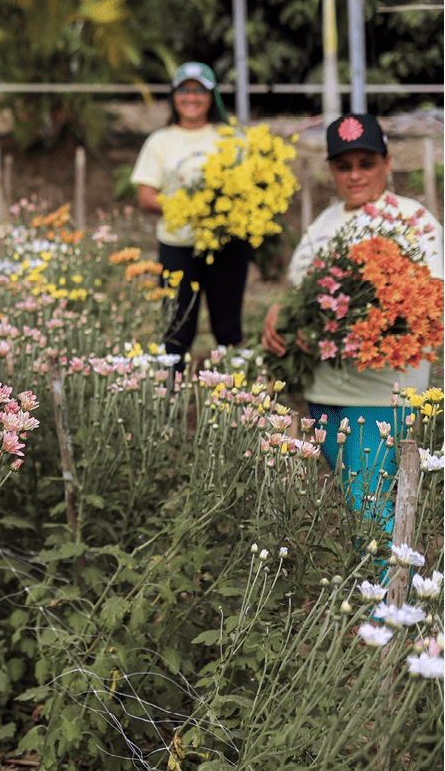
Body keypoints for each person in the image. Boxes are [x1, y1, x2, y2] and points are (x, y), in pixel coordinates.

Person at [261, 113, 444, 527]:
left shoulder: (412, 221)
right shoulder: (324, 223)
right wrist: (280, 314)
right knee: (361, 506)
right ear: (331, 169)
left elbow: (422, 306)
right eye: (344, 166)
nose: (355, 175)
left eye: (366, 164)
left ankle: (394, 593)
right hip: (323, 392)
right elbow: (298, 290)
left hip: (382, 394)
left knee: (371, 513)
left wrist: (326, 327)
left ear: (388, 162)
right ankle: (386, 590)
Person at [131, 62, 249, 360]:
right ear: (174, 95)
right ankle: (173, 395)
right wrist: (190, 209)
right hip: (177, 246)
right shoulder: (159, 141)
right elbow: (146, 197)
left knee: (228, 327)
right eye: (184, 89)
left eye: (200, 90)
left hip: (227, 244)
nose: (191, 97)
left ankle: (232, 392)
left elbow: (251, 188)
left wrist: (222, 214)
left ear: (212, 97)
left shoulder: (232, 138)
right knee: (177, 327)